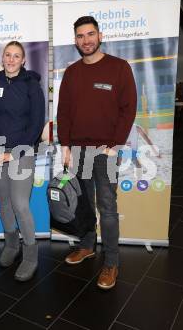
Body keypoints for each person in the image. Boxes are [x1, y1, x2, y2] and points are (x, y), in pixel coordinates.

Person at [57, 16, 137, 290]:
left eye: (90, 34)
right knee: (84, 204)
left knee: (108, 208)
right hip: (78, 150)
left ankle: (111, 261)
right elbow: (64, 112)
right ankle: (87, 245)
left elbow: (129, 108)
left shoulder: (119, 68)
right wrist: (65, 146)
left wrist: (115, 145)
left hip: (105, 152)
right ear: (75, 40)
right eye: (80, 36)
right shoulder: (72, 73)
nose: (86, 40)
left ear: (100, 36)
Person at [0, 41, 45, 282]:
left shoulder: (31, 85)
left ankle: (30, 256)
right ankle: (11, 245)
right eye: (8, 55)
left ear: (23, 60)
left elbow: (37, 123)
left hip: (22, 151)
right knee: (4, 202)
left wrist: (14, 153)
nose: (11, 59)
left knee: (20, 204)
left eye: (16, 56)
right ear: (3, 57)